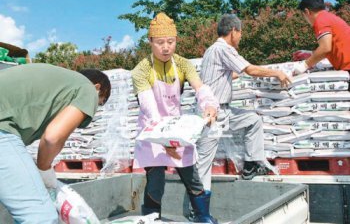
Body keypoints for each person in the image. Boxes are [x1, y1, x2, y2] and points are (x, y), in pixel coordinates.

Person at [131, 12, 219, 223]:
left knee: (192, 178)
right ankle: (152, 220)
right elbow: (149, 108)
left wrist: (209, 105)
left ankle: (203, 217)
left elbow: (200, 87)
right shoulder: (140, 71)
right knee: (156, 183)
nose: (166, 47)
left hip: (177, 130)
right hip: (153, 133)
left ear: (176, 41)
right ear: (150, 41)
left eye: (170, 42)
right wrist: (164, 140)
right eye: (160, 42)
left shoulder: (182, 64)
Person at [0, 63, 111, 223]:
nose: (94, 109)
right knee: (40, 216)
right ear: (97, 88)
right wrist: (44, 170)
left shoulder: (56, 83)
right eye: (100, 103)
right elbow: (52, 137)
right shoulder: (87, 89)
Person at [197, 14, 291, 187]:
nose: (240, 37)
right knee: (204, 163)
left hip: (223, 111)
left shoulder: (211, 50)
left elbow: (220, 75)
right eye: (240, 33)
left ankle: (250, 165)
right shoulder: (223, 49)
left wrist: (230, 77)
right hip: (213, 113)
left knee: (253, 120)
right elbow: (250, 70)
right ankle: (198, 208)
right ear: (233, 31)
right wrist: (277, 73)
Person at [293, 0, 350, 75]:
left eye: (303, 15)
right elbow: (331, 46)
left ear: (307, 11)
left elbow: (325, 48)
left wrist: (304, 65)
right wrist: (310, 54)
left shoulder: (320, 20)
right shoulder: (328, 17)